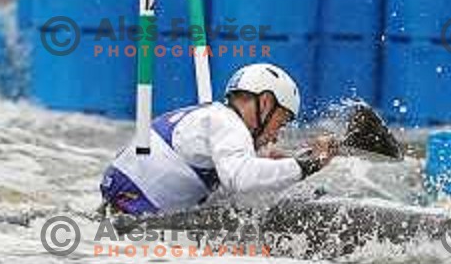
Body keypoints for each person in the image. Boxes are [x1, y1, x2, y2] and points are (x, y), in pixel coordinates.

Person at [100, 63, 338, 216]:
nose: (278, 133)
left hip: (120, 207)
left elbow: (241, 180)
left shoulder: (214, 117)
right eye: (282, 121)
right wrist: (308, 165)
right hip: (133, 218)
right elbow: (242, 179)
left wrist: (296, 172)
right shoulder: (228, 123)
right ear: (265, 103)